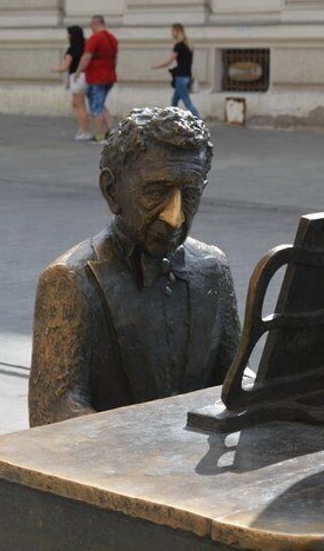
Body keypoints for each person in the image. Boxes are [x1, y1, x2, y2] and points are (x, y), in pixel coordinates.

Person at [28, 107, 241, 427]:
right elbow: (54, 411)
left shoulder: (213, 269)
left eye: (191, 193)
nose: (175, 216)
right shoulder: (71, 281)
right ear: (112, 191)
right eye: (156, 192)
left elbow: (233, 378)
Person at [75, 15, 118, 143]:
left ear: (95, 24)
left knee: (96, 107)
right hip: (109, 77)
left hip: (96, 77)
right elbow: (115, 59)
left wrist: (78, 72)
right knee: (101, 104)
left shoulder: (95, 38)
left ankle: (100, 136)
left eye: (91, 25)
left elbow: (86, 57)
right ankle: (109, 131)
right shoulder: (113, 39)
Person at [51, 25, 91, 141]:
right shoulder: (85, 46)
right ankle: (82, 127)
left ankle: (85, 131)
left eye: (68, 34)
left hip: (76, 77)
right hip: (85, 76)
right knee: (76, 103)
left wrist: (54, 69)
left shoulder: (71, 49)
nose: (67, 36)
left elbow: (65, 67)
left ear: (72, 35)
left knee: (80, 105)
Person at [151, 23, 200, 118]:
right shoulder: (189, 45)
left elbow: (169, 62)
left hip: (180, 78)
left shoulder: (179, 45)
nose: (171, 33)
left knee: (187, 103)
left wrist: (155, 66)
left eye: (172, 31)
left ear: (178, 31)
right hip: (187, 76)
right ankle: (172, 122)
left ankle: (199, 120)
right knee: (174, 102)